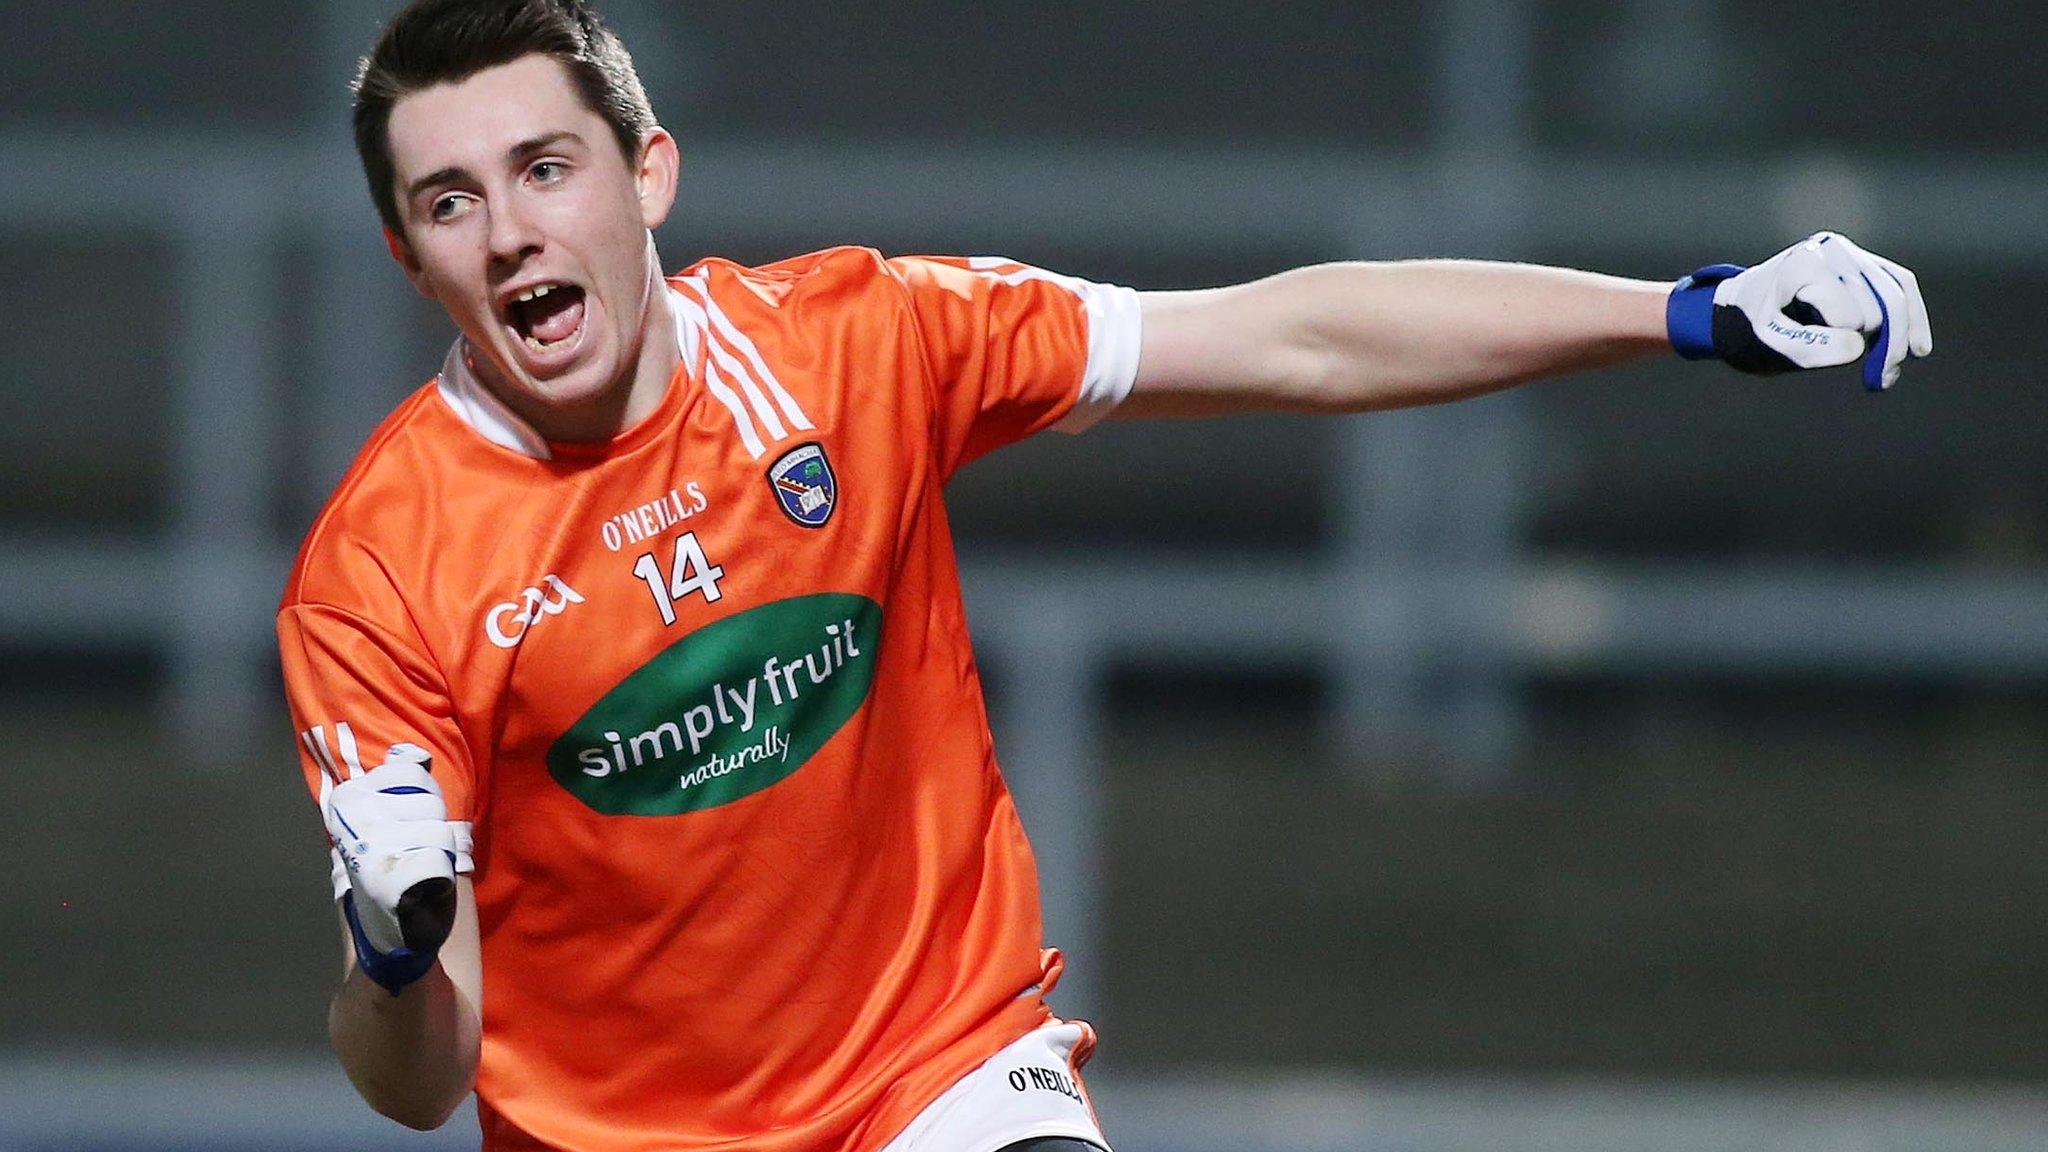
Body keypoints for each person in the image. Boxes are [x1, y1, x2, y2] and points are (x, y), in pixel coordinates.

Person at [279, 1, 1933, 1150]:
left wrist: (1678, 310)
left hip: (945, 1086)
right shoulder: (377, 578)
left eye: (545, 170)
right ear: (409, 257)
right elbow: (416, 1086)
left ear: (647, 177)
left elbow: (1289, 333)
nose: (508, 231)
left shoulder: (866, 342)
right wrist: (395, 950)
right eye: (451, 200)